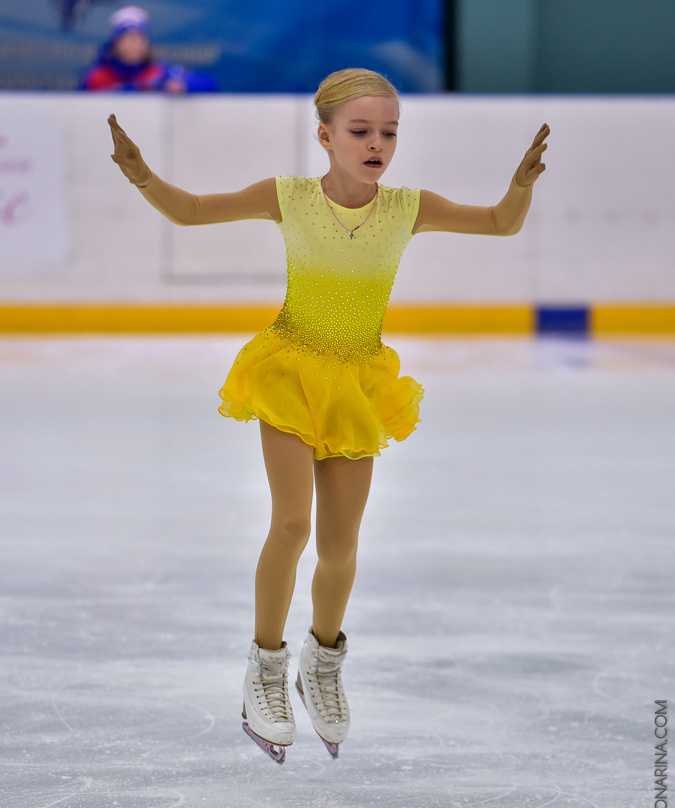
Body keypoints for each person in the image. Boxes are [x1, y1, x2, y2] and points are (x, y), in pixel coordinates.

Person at [107, 68, 549, 763]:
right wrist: (141, 175)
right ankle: (265, 665)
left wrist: (520, 184)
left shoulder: (408, 206)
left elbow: (497, 222)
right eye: (361, 131)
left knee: (341, 545)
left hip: (355, 382)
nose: (377, 144)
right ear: (325, 136)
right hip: (289, 368)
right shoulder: (286, 197)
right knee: (291, 522)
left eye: (389, 133)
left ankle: (323, 663)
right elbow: (191, 210)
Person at [81, 5, 216, 93]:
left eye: (139, 40)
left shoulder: (158, 72)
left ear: (146, 44)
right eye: (127, 40)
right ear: (116, 44)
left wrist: (183, 85)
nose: (133, 46)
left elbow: (209, 83)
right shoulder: (97, 77)